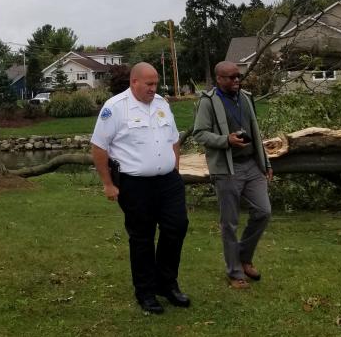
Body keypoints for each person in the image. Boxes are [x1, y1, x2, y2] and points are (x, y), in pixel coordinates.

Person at [90, 62, 189, 315]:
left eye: (156, 83)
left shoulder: (162, 105)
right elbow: (99, 147)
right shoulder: (115, 108)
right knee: (142, 237)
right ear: (134, 82)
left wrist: (174, 170)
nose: (154, 89)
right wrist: (108, 184)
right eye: (149, 84)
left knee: (176, 227)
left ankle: (167, 283)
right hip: (135, 185)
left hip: (168, 182)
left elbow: (174, 139)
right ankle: (145, 291)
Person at [192, 61, 273, 290]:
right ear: (219, 79)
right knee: (230, 222)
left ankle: (244, 257)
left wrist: (265, 162)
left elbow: (256, 132)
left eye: (238, 76)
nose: (237, 80)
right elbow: (199, 134)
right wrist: (225, 140)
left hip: (251, 165)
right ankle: (235, 272)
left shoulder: (246, 97)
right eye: (231, 77)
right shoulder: (208, 102)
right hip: (227, 169)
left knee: (263, 211)